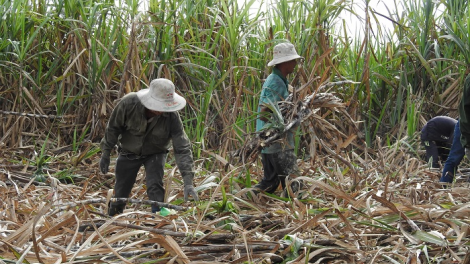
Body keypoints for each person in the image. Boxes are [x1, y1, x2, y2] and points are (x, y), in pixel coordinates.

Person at [99, 78, 199, 216]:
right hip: (129, 152)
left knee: (155, 186)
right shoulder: (129, 104)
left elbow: (182, 147)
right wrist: (106, 152)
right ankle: (113, 218)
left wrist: (188, 182)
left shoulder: (172, 116)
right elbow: (112, 128)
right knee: (121, 189)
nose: (161, 110)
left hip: (156, 153)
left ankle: (158, 219)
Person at [254, 42, 303, 194]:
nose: (295, 63)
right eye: (293, 60)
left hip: (269, 141)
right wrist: (285, 123)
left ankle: (241, 199)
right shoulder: (275, 82)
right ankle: (296, 216)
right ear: (285, 62)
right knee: (294, 186)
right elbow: (264, 112)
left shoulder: (279, 79)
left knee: (270, 182)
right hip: (276, 142)